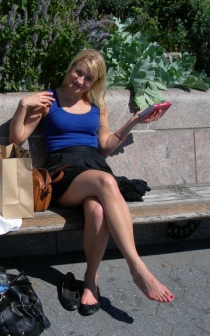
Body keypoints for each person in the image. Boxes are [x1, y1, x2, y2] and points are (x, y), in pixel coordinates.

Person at [9, 49, 174, 316]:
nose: (80, 80)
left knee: (97, 211)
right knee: (106, 182)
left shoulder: (98, 104)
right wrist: (22, 106)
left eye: (89, 78)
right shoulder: (49, 99)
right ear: (70, 67)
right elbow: (17, 138)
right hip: (63, 173)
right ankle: (137, 269)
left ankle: (90, 283)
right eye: (78, 71)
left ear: (95, 82)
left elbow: (105, 147)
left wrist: (134, 121)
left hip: (94, 168)